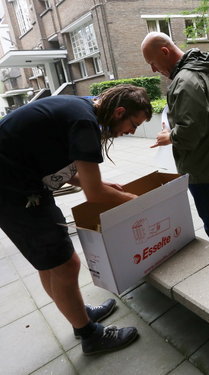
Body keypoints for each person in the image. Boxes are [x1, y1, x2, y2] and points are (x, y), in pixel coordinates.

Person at [0, 84, 153, 355]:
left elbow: (55, 157)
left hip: (24, 183)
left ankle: (77, 313)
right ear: (119, 112)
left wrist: (95, 183)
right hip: (11, 193)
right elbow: (95, 195)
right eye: (133, 123)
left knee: (50, 263)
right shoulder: (85, 122)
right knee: (66, 265)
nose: (131, 131)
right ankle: (89, 335)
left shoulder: (85, 108)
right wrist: (140, 203)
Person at [141, 32, 209, 253]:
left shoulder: (185, 80)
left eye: (152, 63)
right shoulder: (204, 68)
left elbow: (191, 131)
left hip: (202, 162)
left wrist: (169, 136)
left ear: (165, 52)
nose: (153, 70)